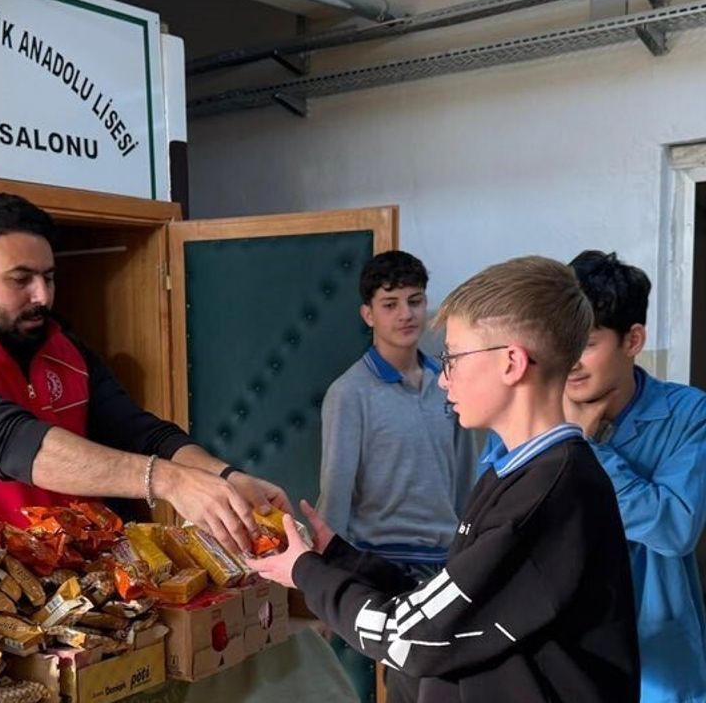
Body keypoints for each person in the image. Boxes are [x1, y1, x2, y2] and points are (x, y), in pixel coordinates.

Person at [248, 256, 639, 702]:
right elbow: (452, 605)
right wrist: (339, 558)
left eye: (452, 357)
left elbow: (411, 637)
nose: (442, 379)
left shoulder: (546, 494)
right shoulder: (514, 474)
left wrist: (305, 573)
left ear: (512, 363)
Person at [0, 192, 288, 551]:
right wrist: (169, 481)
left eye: (49, 277)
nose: (42, 295)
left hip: (66, 591)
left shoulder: (66, 348)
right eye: (21, 279)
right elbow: (7, 442)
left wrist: (225, 476)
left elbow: (143, 433)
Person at [317, 250, 476, 702]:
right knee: (360, 692)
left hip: (444, 566)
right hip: (375, 566)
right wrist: (330, 581)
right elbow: (336, 490)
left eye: (415, 300)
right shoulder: (350, 393)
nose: (405, 314)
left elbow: (467, 481)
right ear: (368, 313)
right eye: (390, 304)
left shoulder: (450, 381)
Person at [557, 250, 706, 702]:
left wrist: (585, 448)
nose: (570, 361)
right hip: (559, 658)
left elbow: (675, 528)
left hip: (657, 667)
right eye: (562, 342)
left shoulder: (688, 414)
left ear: (633, 339)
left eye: (586, 343)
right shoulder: (530, 415)